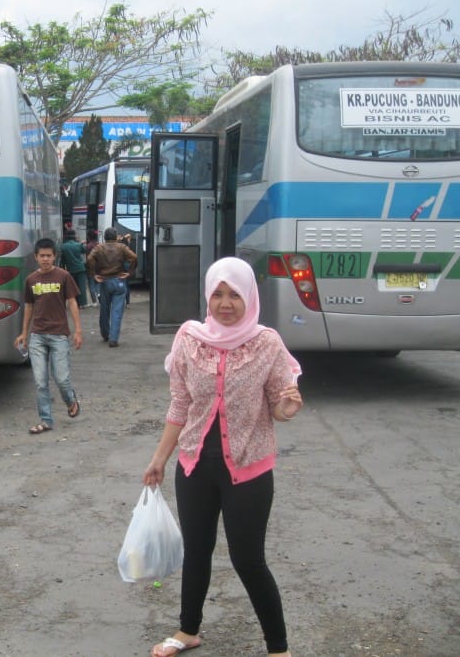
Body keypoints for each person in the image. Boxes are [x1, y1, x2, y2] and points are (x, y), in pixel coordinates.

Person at [143, 257, 302, 657]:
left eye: (234, 294)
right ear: (207, 296)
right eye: (218, 294)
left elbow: (280, 405)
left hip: (248, 468)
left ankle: (278, 648)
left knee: (248, 559)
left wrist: (287, 407)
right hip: (195, 463)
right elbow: (180, 404)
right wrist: (160, 458)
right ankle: (188, 630)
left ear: (249, 296)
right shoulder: (189, 337)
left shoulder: (267, 342)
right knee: (196, 551)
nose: (225, 303)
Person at [14, 237, 83, 434]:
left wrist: (78, 331)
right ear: (36, 257)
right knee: (40, 381)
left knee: (61, 378)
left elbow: (72, 303)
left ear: (55, 257)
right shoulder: (31, 280)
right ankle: (46, 420)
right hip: (37, 336)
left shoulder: (64, 276)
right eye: (42, 256)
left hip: (60, 335)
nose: (45, 259)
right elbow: (28, 306)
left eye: (49, 256)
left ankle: (70, 400)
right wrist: (24, 333)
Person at [86, 227, 137, 347]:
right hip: (118, 280)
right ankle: (113, 339)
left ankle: (105, 334)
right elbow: (134, 257)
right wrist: (129, 272)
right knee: (117, 311)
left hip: (104, 281)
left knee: (104, 309)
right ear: (115, 237)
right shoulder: (122, 247)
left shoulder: (99, 248)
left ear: (104, 237)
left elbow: (89, 259)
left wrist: (94, 274)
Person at [60, 230, 89, 308]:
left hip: (70, 269)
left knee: (73, 287)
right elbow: (84, 251)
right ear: (74, 236)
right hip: (81, 268)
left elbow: (63, 260)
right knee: (81, 287)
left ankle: (75, 303)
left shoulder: (63, 246)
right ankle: (82, 304)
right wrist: (80, 243)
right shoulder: (78, 245)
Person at [84, 229, 100, 306]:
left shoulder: (88, 246)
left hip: (91, 268)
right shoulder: (99, 245)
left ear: (89, 237)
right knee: (98, 284)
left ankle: (94, 302)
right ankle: (100, 300)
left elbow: (88, 258)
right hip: (99, 268)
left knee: (91, 285)